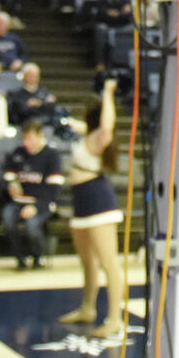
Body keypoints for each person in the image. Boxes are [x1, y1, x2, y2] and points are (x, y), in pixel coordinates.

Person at [59, 81, 126, 337]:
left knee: (109, 263)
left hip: (99, 203)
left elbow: (108, 125)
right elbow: (74, 125)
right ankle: (87, 308)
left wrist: (108, 93)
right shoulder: (88, 133)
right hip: (81, 202)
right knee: (87, 262)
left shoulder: (101, 137)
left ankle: (114, 319)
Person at [0, 122, 62, 269]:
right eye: (25, 138)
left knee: (32, 224)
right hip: (18, 201)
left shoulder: (52, 155)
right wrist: (12, 184)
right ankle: (20, 259)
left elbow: (54, 189)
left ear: (40, 135)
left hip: (43, 202)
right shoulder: (18, 152)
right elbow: (8, 174)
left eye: (31, 138)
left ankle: (38, 258)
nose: (27, 143)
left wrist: (36, 206)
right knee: (7, 218)